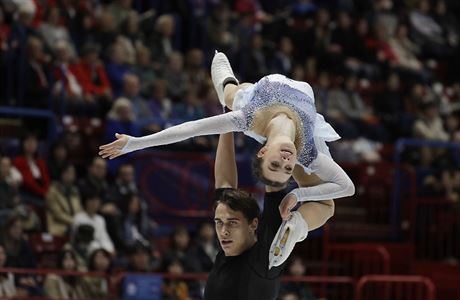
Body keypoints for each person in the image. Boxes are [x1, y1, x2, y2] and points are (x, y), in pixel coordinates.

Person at [99, 51, 354, 204]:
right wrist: (296, 196)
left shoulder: (248, 119)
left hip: (259, 97)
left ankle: (225, 86)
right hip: (302, 96)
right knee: (324, 202)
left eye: (275, 165)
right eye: (288, 169)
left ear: (262, 153)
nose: (287, 161)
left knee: (233, 96)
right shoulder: (307, 153)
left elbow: (190, 129)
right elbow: (347, 187)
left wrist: (135, 143)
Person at [204, 131, 335, 300]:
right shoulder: (234, 244)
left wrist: (227, 122)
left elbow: (229, 183)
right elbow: (225, 184)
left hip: (275, 247)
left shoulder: (263, 258)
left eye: (232, 223)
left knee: (321, 205)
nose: (223, 231)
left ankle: (297, 224)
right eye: (219, 223)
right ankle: (297, 224)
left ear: (253, 225)